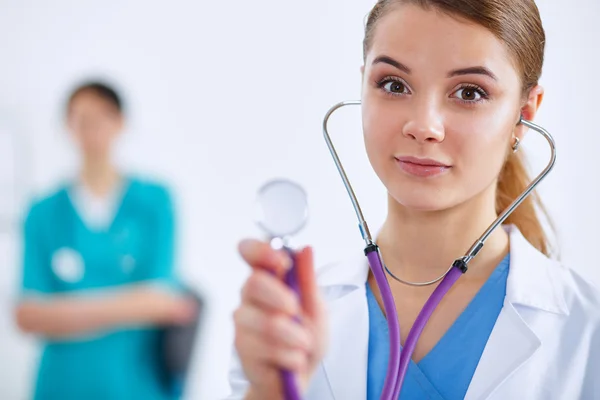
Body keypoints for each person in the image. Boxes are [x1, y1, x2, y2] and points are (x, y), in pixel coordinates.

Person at [226, 0, 600, 399]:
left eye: (470, 92)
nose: (423, 126)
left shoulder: (584, 331)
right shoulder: (285, 320)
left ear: (524, 112)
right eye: (393, 85)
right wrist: (267, 391)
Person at [14, 81, 196, 400]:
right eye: (81, 119)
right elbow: (28, 314)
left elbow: (163, 298)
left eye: (102, 117)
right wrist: (136, 305)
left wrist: (61, 313)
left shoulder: (154, 202)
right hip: (61, 388)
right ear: (68, 126)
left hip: (139, 387)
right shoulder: (43, 212)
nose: (92, 130)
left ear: (120, 122)